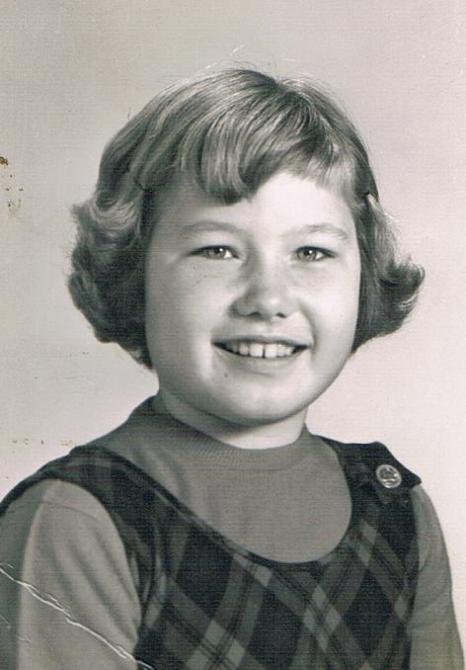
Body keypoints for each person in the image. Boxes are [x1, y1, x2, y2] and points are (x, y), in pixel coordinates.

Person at [0, 68, 462, 669]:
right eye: (217, 250)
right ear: (134, 275)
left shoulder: (396, 509)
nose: (268, 298)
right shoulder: (75, 521)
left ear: (365, 278)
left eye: (312, 252)